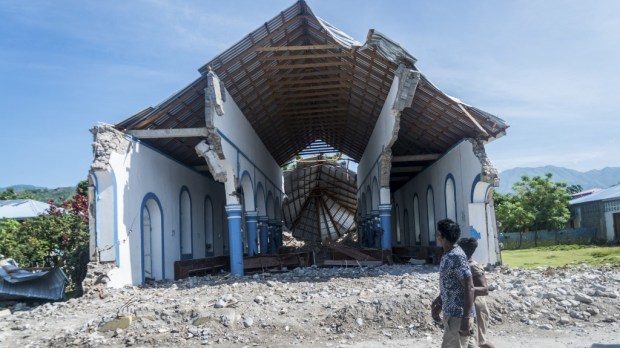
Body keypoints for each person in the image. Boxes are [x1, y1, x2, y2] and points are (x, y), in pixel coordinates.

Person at [431, 219, 476, 348]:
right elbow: (452, 284)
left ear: (443, 237)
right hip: (453, 314)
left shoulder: (456, 256)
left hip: (458, 316)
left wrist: (466, 318)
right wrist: (440, 300)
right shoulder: (448, 255)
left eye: (438, 234)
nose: (436, 237)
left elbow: (469, 286)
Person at [458, 237, 496, 348]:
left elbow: (484, 289)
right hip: (470, 306)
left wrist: (469, 290)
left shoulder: (472, 266)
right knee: (473, 340)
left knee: (479, 341)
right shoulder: (464, 264)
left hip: (476, 307)